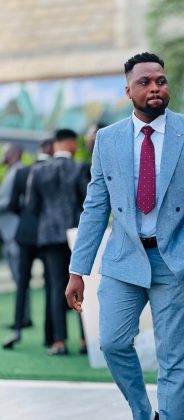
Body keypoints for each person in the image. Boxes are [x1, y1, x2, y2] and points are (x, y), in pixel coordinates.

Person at [65, 52, 184, 420]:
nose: (155, 87)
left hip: (174, 259)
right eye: (145, 82)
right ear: (129, 91)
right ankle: (144, 418)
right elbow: (95, 207)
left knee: (174, 359)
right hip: (123, 259)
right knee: (112, 342)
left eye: (160, 80)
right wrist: (77, 270)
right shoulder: (108, 139)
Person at [28, 129, 86, 355]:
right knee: (80, 285)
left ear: (55, 145)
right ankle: (84, 340)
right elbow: (87, 203)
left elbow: (32, 206)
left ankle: (59, 341)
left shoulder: (39, 170)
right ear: (71, 144)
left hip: (49, 236)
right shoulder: (80, 168)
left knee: (55, 286)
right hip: (76, 235)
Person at [3, 139, 54, 349]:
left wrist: (26, 219)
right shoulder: (54, 171)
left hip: (25, 233)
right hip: (50, 235)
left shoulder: (22, 172)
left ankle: (17, 329)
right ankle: (51, 337)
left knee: (22, 283)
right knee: (51, 284)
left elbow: (13, 204)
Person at [0, 144, 32, 328]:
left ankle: (24, 318)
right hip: (8, 232)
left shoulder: (18, 171)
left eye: (6, 152)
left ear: (15, 153)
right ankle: (23, 317)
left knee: (20, 277)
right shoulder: (12, 171)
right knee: (18, 277)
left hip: (14, 231)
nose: (3, 155)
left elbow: (14, 201)